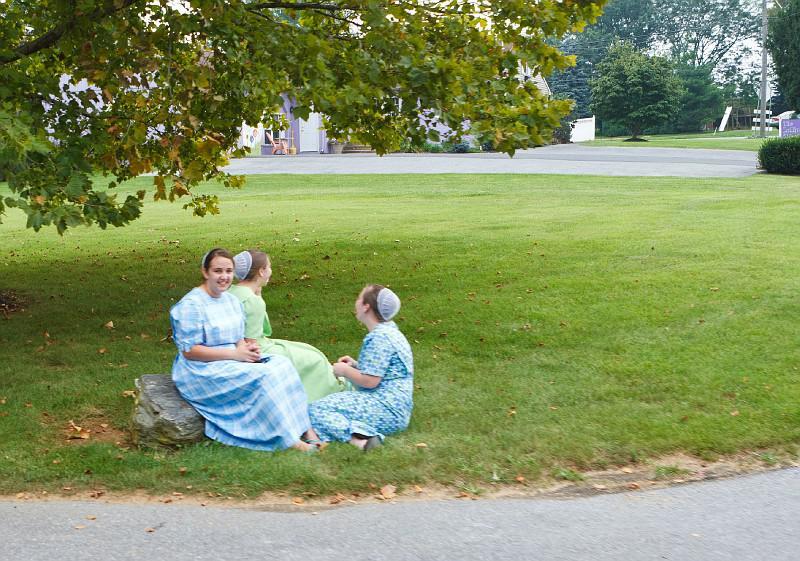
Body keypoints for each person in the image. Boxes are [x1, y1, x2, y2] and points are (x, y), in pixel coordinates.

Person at [169, 248, 321, 453]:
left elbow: (238, 338)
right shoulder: (191, 305)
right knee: (266, 376)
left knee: (282, 364)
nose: (224, 277)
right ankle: (289, 439)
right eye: (218, 271)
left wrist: (247, 350)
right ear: (205, 272)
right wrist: (235, 354)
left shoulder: (230, 300)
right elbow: (190, 351)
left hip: (231, 359)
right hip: (200, 370)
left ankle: (307, 431)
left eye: (228, 271)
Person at [228, 249, 348, 402]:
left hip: (242, 345)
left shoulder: (232, 292)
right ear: (261, 271)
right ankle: (326, 393)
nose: (271, 271)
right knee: (313, 359)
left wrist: (258, 292)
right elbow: (252, 341)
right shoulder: (253, 301)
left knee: (308, 350)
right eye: (269, 267)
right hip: (260, 349)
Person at [308, 284, 414, 451]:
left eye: (359, 298)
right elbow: (384, 372)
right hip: (397, 409)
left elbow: (370, 381)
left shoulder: (380, 337)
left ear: (366, 307)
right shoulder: (390, 331)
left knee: (316, 410)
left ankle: (360, 441)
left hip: (386, 409)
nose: (356, 302)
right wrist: (355, 365)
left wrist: (344, 371)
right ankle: (358, 431)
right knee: (331, 405)